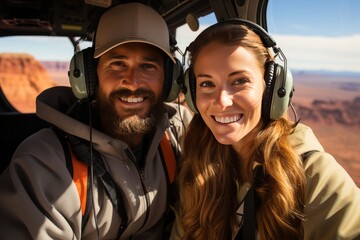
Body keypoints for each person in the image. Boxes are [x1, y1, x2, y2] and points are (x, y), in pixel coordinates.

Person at [0, 3, 192, 240]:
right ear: (90, 75)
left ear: (169, 81)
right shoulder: (46, 164)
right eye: (117, 63)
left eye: (148, 66)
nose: (132, 82)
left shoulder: (178, 133)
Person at [171, 19, 360, 240]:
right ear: (192, 95)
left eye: (240, 81)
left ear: (272, 89)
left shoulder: (313, 173)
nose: (222, 101)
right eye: (206, 84)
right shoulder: (198, 163)